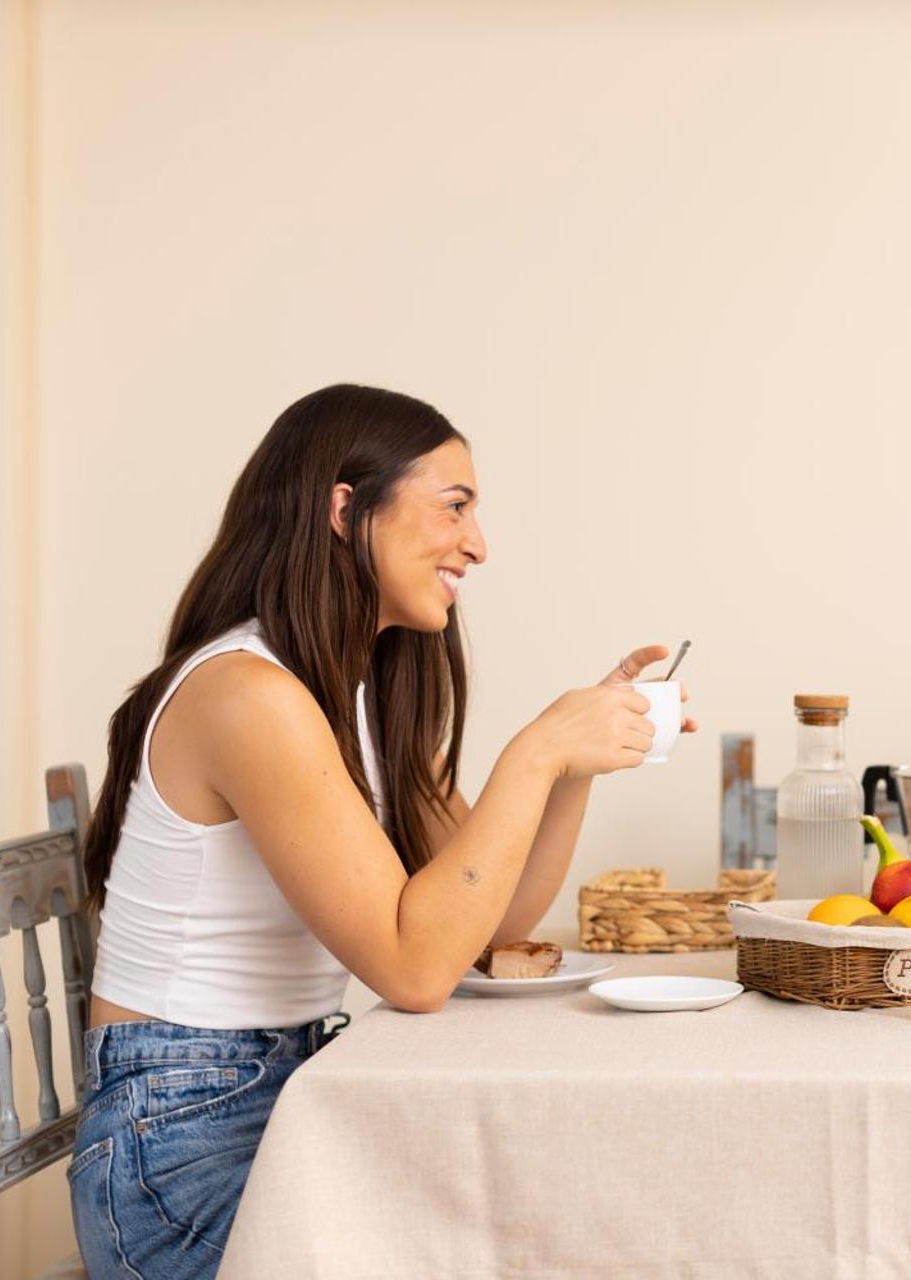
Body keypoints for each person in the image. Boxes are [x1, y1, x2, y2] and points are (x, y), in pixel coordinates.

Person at [67, 384, 689, 1279]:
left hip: (282, 1099)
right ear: (345, 510)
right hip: (179, 1152)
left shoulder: (355, 690)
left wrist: (572, 767)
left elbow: (495, 921)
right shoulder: (251, 697)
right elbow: (415, 968)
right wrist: (536, 751)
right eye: (455, 507)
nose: (478, 546)